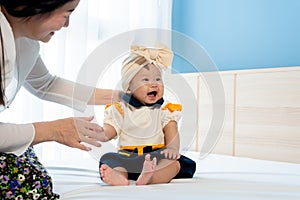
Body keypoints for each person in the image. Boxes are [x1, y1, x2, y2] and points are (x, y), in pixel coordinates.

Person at [0, 0, 121, 199]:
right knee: (30, 182)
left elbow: (46, 84)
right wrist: (53, 130)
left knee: (27, 164)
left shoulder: (24, 41)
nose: (67, 25)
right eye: (66, 13)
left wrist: (119, 97)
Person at [99, 45, 196, 186]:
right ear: (128, 87)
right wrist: (100, 133)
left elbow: (171, 131)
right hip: (127, 157)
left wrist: (173, 149)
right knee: (108, 159)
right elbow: (110, 129)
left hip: (156, 158)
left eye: (158, 79)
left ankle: (151, 177)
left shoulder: (164, 109)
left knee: (174, 163)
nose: (154, 84)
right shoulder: (120, 109)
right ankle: (119, 176)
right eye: (145, 80)